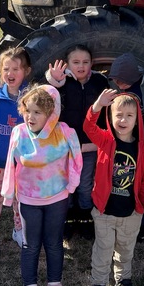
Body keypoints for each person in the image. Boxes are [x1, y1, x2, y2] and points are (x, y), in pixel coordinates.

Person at [2, 85, 82, 286]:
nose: (31, 116)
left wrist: (72, 185)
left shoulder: (65, 132)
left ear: (51, 113)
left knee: (54, 243)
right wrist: (9, 195)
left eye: (37, 112)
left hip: (57, 198)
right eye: (27, 110)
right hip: (29, 200)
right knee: (30, 245)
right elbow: (10, 164)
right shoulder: (18, 133)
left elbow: (76, 160)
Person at [83, 89, 144, 286]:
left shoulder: (142, 148)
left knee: (125, 249)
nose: (123, 120)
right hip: (105, 211)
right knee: (103, 248)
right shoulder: (106, 140)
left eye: (129, 115)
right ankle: (99, 285)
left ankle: (123, 280)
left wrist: (140, 206)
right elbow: (88, 127)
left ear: (137, 119)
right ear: (110, 117)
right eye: (118, 115)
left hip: (131, 212)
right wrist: (97, 105)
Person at [45, 45, 108, 234]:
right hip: (65, 147)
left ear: (92, 63)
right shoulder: (61, 82)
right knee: (65, 183)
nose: (81, 66)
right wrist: (53, 80)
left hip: (89, 147)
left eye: (85, 62)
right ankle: (67, 217)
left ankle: (85, 217)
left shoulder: (99, 81)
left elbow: (107, 112)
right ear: (67, 64)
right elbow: (44, 95)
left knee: (85, 183)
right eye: (76, 62)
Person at [0, 47, 32, 257]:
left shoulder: (31, 96)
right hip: (0, 159)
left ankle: (19, 230)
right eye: (6, 68)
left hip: (23, 161)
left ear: (26, 71)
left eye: (16, 69)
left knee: (20, 197)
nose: (10, 73)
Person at [107, 52, 144, 136]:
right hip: (125, 133)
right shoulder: (114, 82)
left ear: (133, 78)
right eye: (117, 84)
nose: (120, 87)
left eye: (124, 84)